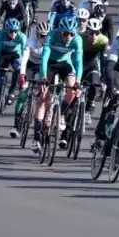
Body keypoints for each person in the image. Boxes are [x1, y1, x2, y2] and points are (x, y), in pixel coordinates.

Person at [34, 16, 83, 155]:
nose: (68, 37)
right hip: (50, 63)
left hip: (65, 64)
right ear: (60, 31)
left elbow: (78, 61)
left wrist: (78, 81)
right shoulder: (52, 35)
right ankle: (36, 138)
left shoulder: (77, 40)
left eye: (71, 34)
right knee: (43, 96)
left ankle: (61, 114)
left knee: (72, 89)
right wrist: (43, 76)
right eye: (66, 34)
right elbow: (44, 57)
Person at [11, 20, 50, 138]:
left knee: (45, 93)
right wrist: (22, 74)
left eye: (47, 36)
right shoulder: (31, 41)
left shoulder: (50, 42)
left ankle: (45, 121)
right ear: (37, 34)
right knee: (23, 92)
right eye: (42, 36)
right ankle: (16, 125)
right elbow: (24, 59)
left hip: (43, 67)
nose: (45, 38)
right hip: (30, 65)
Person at [0, 18, 27, 124]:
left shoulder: (22, 37)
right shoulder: (0, 34)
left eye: (15, 31)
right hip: (2, 54)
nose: (13, 34)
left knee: (18, 69)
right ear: (6, 30)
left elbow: (25, 52)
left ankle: (11, 92)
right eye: (11, 31)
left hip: (15, 55)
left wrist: (24, 66)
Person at [79, 17, 109, 123]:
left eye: (97, 33)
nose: (94, 36)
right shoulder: (80, 38)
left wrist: (104, 78)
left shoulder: (103, 40)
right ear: (87, 31)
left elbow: (104, 60)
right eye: (91, 33)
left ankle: (87, 109)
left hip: (92, 65)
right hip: (79, 65)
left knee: (95, 85)